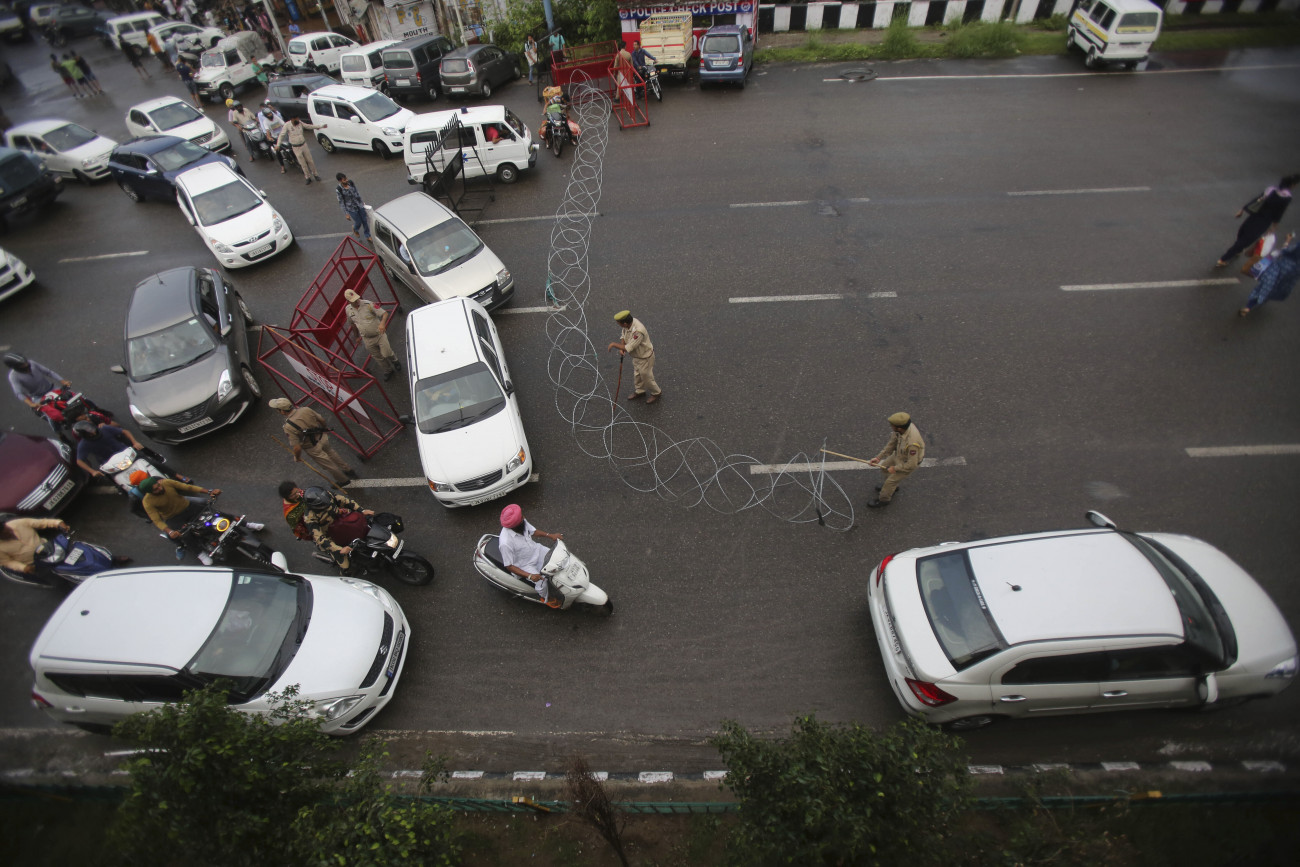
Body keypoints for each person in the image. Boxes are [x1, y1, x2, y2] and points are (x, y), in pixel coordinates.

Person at [0, 516, 131, 578]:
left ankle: (110, 559)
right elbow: (8, 562)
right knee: (64, 574)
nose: (5, 532)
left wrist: (58, 523)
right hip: (38, 561)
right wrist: (24, 568)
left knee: (83, 550)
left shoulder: (17, 523)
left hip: (50, 546)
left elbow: (42, 523)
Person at [268, 397, 357, 486]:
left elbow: (297, 447)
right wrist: (323, 429)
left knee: (329, 465)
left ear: (283, 411)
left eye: (277, 410)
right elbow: (322, 420)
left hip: (312, 447)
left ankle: (343, 480)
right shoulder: (305, 409)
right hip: (322, 437)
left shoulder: (288, 427)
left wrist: (297, 457)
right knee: (332, 453)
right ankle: (348, 470)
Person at [1217, 175, 1298, 267]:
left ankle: (1230, 254)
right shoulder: (1286, 198)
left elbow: (1257, 200)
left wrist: (1243, 209)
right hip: (1264, 221)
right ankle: (1226, 257)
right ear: (1292, 185)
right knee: (1246, 239)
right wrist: (1274, 226)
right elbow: (1279, 212)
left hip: (1255, 215)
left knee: (1243, 233)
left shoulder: (1271, 190)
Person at [497, 504, 563, 609]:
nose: (523, 517)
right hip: (524, 564)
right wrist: (530, 576)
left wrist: (551, 535)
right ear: (515, 525)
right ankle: (545, 598)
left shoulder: (521, 523)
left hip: (537, 550)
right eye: (521, 518)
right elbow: (509, 566)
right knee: (542, 582)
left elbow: (533, 531)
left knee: (558, 557)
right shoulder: (505, 542)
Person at [300, 486, 374, 572]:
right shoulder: (309, 517)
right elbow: (319, 538)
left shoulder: (327, 496)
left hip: (342, 521)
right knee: (346, 566)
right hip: (330, 536)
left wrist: (362, 510)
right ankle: (344, 572)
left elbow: (345, 501)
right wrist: (339, 549)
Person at [866, 412, 926, 508]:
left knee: (890, 482)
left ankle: (884, 499)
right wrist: (878, 457)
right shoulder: (901, 429)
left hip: (906, 463)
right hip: (899, 454)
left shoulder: (912, 443)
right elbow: (892, 443)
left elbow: (912, 464)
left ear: (899, 428)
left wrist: (895, 468)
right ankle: (892, 488)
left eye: (892, 425)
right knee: (884, 467)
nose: (891, 427)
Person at [342, 289, 399, 381]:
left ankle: (395, 361)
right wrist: (357, 337)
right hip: (367, 339)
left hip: (379, 335)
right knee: (378, 357)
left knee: (387, 353)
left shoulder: (368, 304)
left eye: (356, 299)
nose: (356, 301)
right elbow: (352, 324)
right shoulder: (348, 310)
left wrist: (382, 323)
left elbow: (384, 314)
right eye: (353, 301)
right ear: (348, 301)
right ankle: (388, 370)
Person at [1240, 234, 1300, 317]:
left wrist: (1287, 241)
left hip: (1281, 265)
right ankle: (1258, 302)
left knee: (1266, 284)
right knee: (1276, 288)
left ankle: (1249, 306)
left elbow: (1285, 250)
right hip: (1293, 274)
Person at [607, 310, 661, 403]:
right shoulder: (628, 324)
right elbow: (623, 336)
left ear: (624, 323)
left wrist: (614, 345)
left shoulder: (638, 331)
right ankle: (640, 391)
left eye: (619, 323)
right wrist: (621, 348)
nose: (619, 325)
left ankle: (656, 392)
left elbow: (629, 347)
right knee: (637, 375)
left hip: (645, 357)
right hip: (637, 356)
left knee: (646, 377)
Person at [72, 420, 144, 478]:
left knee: (147, 461)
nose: (93, 433)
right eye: (90, 433)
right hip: (111, 465)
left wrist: (135, 442)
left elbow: (125, 431)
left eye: (93, 430)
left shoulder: (105, 428)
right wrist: (93, 472)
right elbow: (79, 461)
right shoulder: (83, 444)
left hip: (127, 454)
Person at [6, 353, 71, 408]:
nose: (26, 364)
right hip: (38, 397)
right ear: (16, 367)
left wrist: (62, 381)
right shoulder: (13, 376)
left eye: (25, 362)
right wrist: (31, 404)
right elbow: (18, 393)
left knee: (73, 397)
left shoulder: (31, 363)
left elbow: (48, 372)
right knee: (52, 413)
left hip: (52, 388)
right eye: (23, 365)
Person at [276, 116, 323, 185]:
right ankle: (307, 177)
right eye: (296, 119)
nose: (298, 120)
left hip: (304, 145)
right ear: (292, 119)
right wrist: (278, 145)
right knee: (303, 163)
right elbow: (281, 135)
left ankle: (316, 175)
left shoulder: (300, 123)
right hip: (296, 147)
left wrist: (319, 126)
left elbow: (308, 126)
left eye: (298, 118)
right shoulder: (287, 125)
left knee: (310, 161)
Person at [335, 173, 371, 241]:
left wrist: (361, 201)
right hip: (351, 208)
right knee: (358, 222)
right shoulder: (339, 189)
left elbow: (356, 192)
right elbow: (341, 202)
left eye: (346, 179)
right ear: (340, 181)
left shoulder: (350, 183)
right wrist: (346, 214)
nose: (346, 180)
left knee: (364, 220)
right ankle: (355, 228)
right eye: (344, 180)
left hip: (359, 205)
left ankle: (367, 235)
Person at [258, 103, 288, 173]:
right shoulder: (265, 122)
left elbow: (283, 124)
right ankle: (282, 166)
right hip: (275, 138)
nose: (270, 115)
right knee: (278, 152)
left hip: (283, 135)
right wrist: (269, 137)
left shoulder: (276, 117)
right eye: (268, 114)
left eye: (270, 113)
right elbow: (267, 131)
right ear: (266, 116)